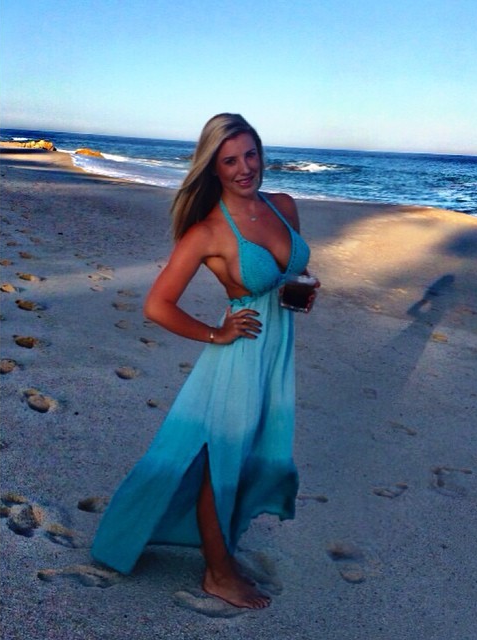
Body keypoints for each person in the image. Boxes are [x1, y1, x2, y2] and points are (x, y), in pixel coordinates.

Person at [91, 113, 318, 609]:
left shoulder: (283, 205)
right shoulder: (208, 231)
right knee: (223, 460)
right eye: (229, 160)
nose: (244, 168)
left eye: (250, 154)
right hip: (240, 354)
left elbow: (288, 272)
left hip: (277, 351)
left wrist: (301, 287)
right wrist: (216, 333)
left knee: (254, 452)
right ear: (213, 167)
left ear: (262, 153)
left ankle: (221, 552)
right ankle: (217, 572)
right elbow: (157, 305)